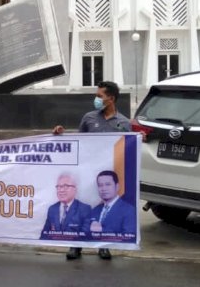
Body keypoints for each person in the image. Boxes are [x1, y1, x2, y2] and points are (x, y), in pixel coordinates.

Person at [52, 80, 131, 261]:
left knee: (103, 210)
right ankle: (76, 245)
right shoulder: (89, 118)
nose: (96, 99)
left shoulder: (124, 123)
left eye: (99, 96)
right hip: (87, 172)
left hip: (107, 176)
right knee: (82, 209)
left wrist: (138, 138)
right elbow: (79, 142)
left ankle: (102, 245)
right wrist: (61, 135)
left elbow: (127, 147)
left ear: (110, 99)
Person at [40, 173, 91, 240]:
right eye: (58, 186)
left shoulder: (85, 209)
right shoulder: (52, 209)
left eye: (66, 186)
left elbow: (85, 236)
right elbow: (44, 235)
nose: (61, 190)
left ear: (75, 189)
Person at [88, 171, 136, 237]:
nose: (103, 189)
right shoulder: (95, 210)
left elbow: (129, 236)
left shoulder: (129, 210)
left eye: (108, 184)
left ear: (117, 186)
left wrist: (102, 230)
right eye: (100, 185)